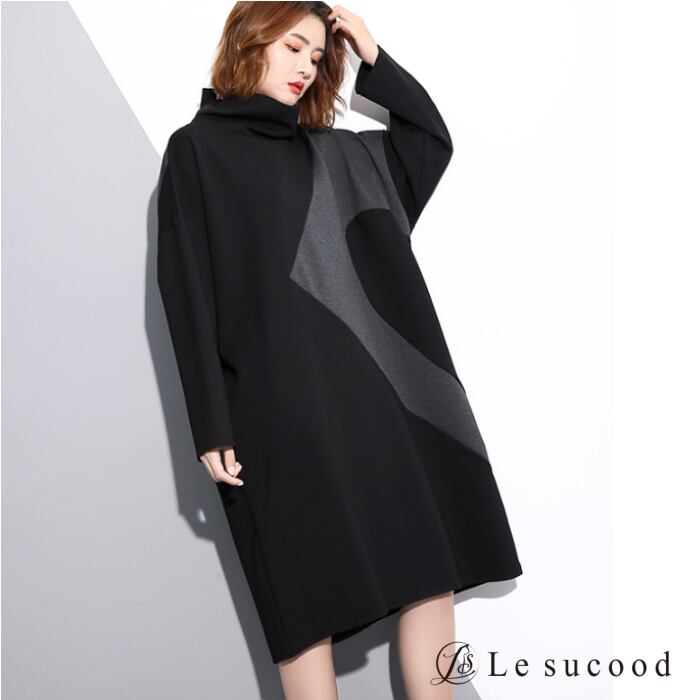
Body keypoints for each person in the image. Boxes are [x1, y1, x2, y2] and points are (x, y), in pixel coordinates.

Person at [156, 2, 523, 698]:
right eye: (292, 47)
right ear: (250, 40)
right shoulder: (196, 150)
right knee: (302, 603)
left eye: (318, 56)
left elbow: (428, 140)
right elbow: (187, 288)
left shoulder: (340, 154)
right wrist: (211, 423)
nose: (306, 66)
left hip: (379, 402)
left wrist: (372, 54)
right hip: (279, 411)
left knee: (429, 577)